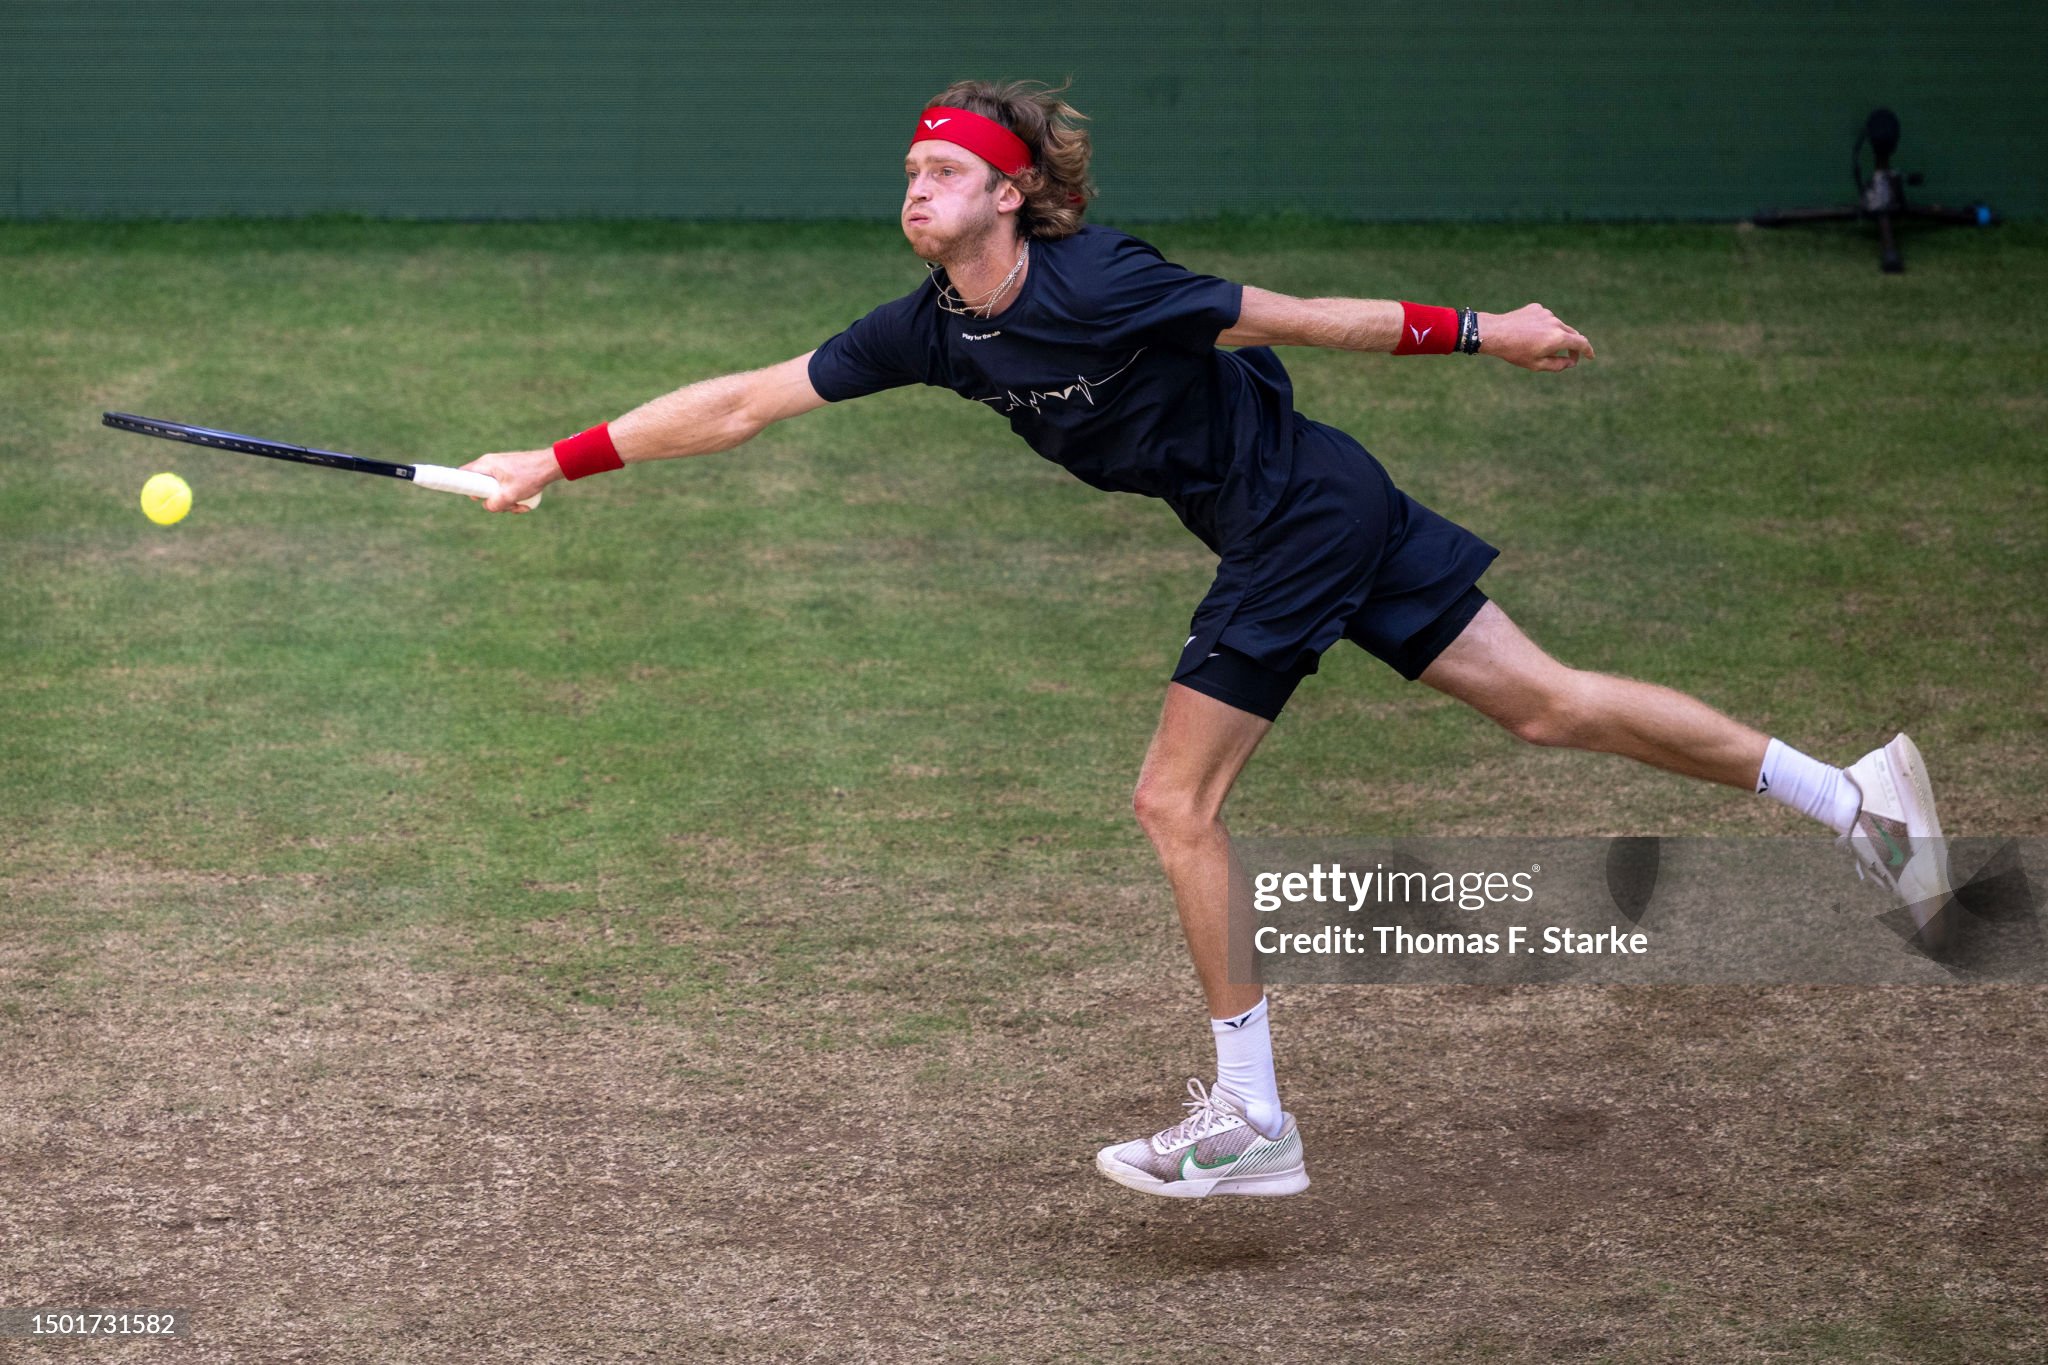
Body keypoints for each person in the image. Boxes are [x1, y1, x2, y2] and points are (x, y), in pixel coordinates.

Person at [465, 79, 1952, 1199]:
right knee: (1547, 706)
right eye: (912, 170)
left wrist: (1490, 329)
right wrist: (553, 458)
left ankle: (1251, 1118)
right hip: (1315, 507)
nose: (916, 189)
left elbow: (1300, 316)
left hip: (1298, 516)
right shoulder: (932, 328)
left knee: (1174, 803)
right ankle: (1856, 799)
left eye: (945, 170)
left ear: (1011, 196)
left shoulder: (1106, 281)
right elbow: (742, 401)